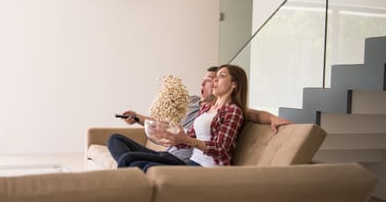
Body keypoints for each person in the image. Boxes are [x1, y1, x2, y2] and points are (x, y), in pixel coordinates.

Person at [108, 65, 291, 170]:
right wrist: (172, 138)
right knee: (125, 153)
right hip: (191, 160)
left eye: (220, 77)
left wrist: (272, 117)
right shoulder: (205, 108)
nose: (214, 81)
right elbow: (189, 138)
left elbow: (221, 148)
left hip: (205, 168)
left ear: (234, 84)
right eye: (214, 77)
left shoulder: (233, 111)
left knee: (130, 161)